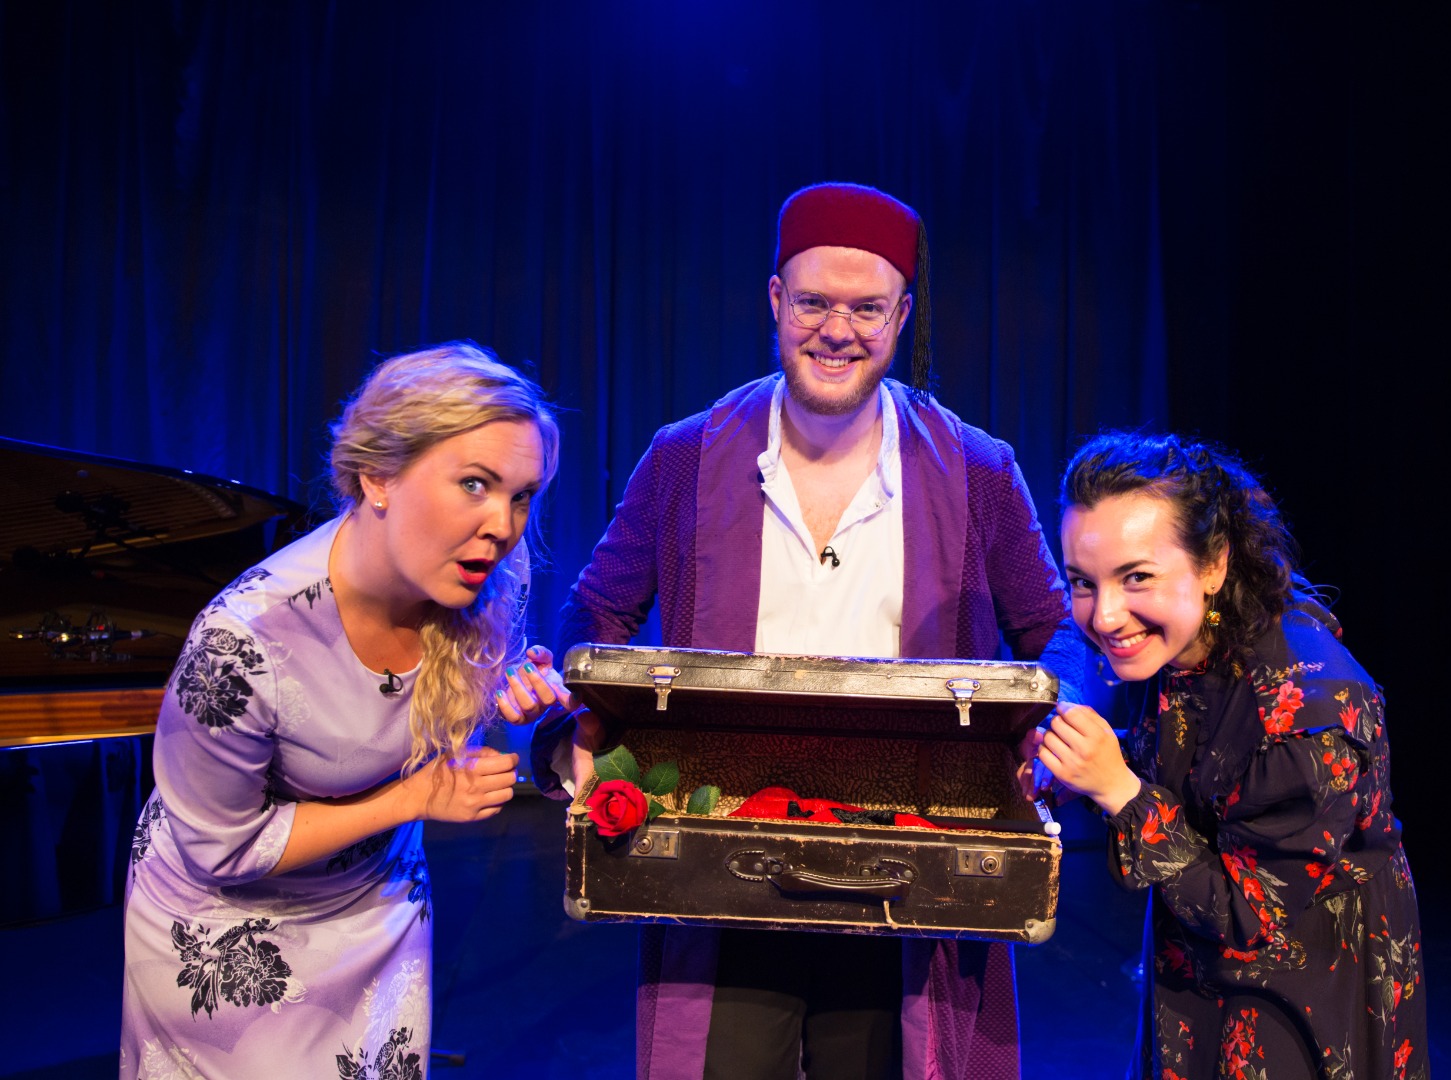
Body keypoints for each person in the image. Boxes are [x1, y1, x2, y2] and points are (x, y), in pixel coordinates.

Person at [535, 182, 1073, 1080]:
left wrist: (1051, 735)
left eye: (867, 309)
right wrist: (587, 725)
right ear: (776, 300)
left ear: (902, 315)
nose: (837, 331)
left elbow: (1058, 632)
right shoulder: (687, 455)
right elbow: (595, 612)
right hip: (724, 859)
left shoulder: (978, 469)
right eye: (815, 303)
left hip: (906, 860)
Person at [120, 343, 570, 1078]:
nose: (503, 524)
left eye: (521, 496)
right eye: (475, 484)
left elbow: (408, 706)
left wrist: (509, 691)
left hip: (377, 913)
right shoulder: (243, 642)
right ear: (378, 476)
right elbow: (220, 849)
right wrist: (415, 798)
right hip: (229, 935)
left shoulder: (477, 581)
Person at [1028, 431, 1429, 1079]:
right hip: (1200, 976)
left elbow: (1246, 915)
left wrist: (1119, 790)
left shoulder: (1308, 720)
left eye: (1136, 577)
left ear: (1213, 564)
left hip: (1293, 998)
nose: (1104, 617)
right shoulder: (1186, 639)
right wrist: (1082, 765)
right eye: (1083, 582)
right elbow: (1200, 762)